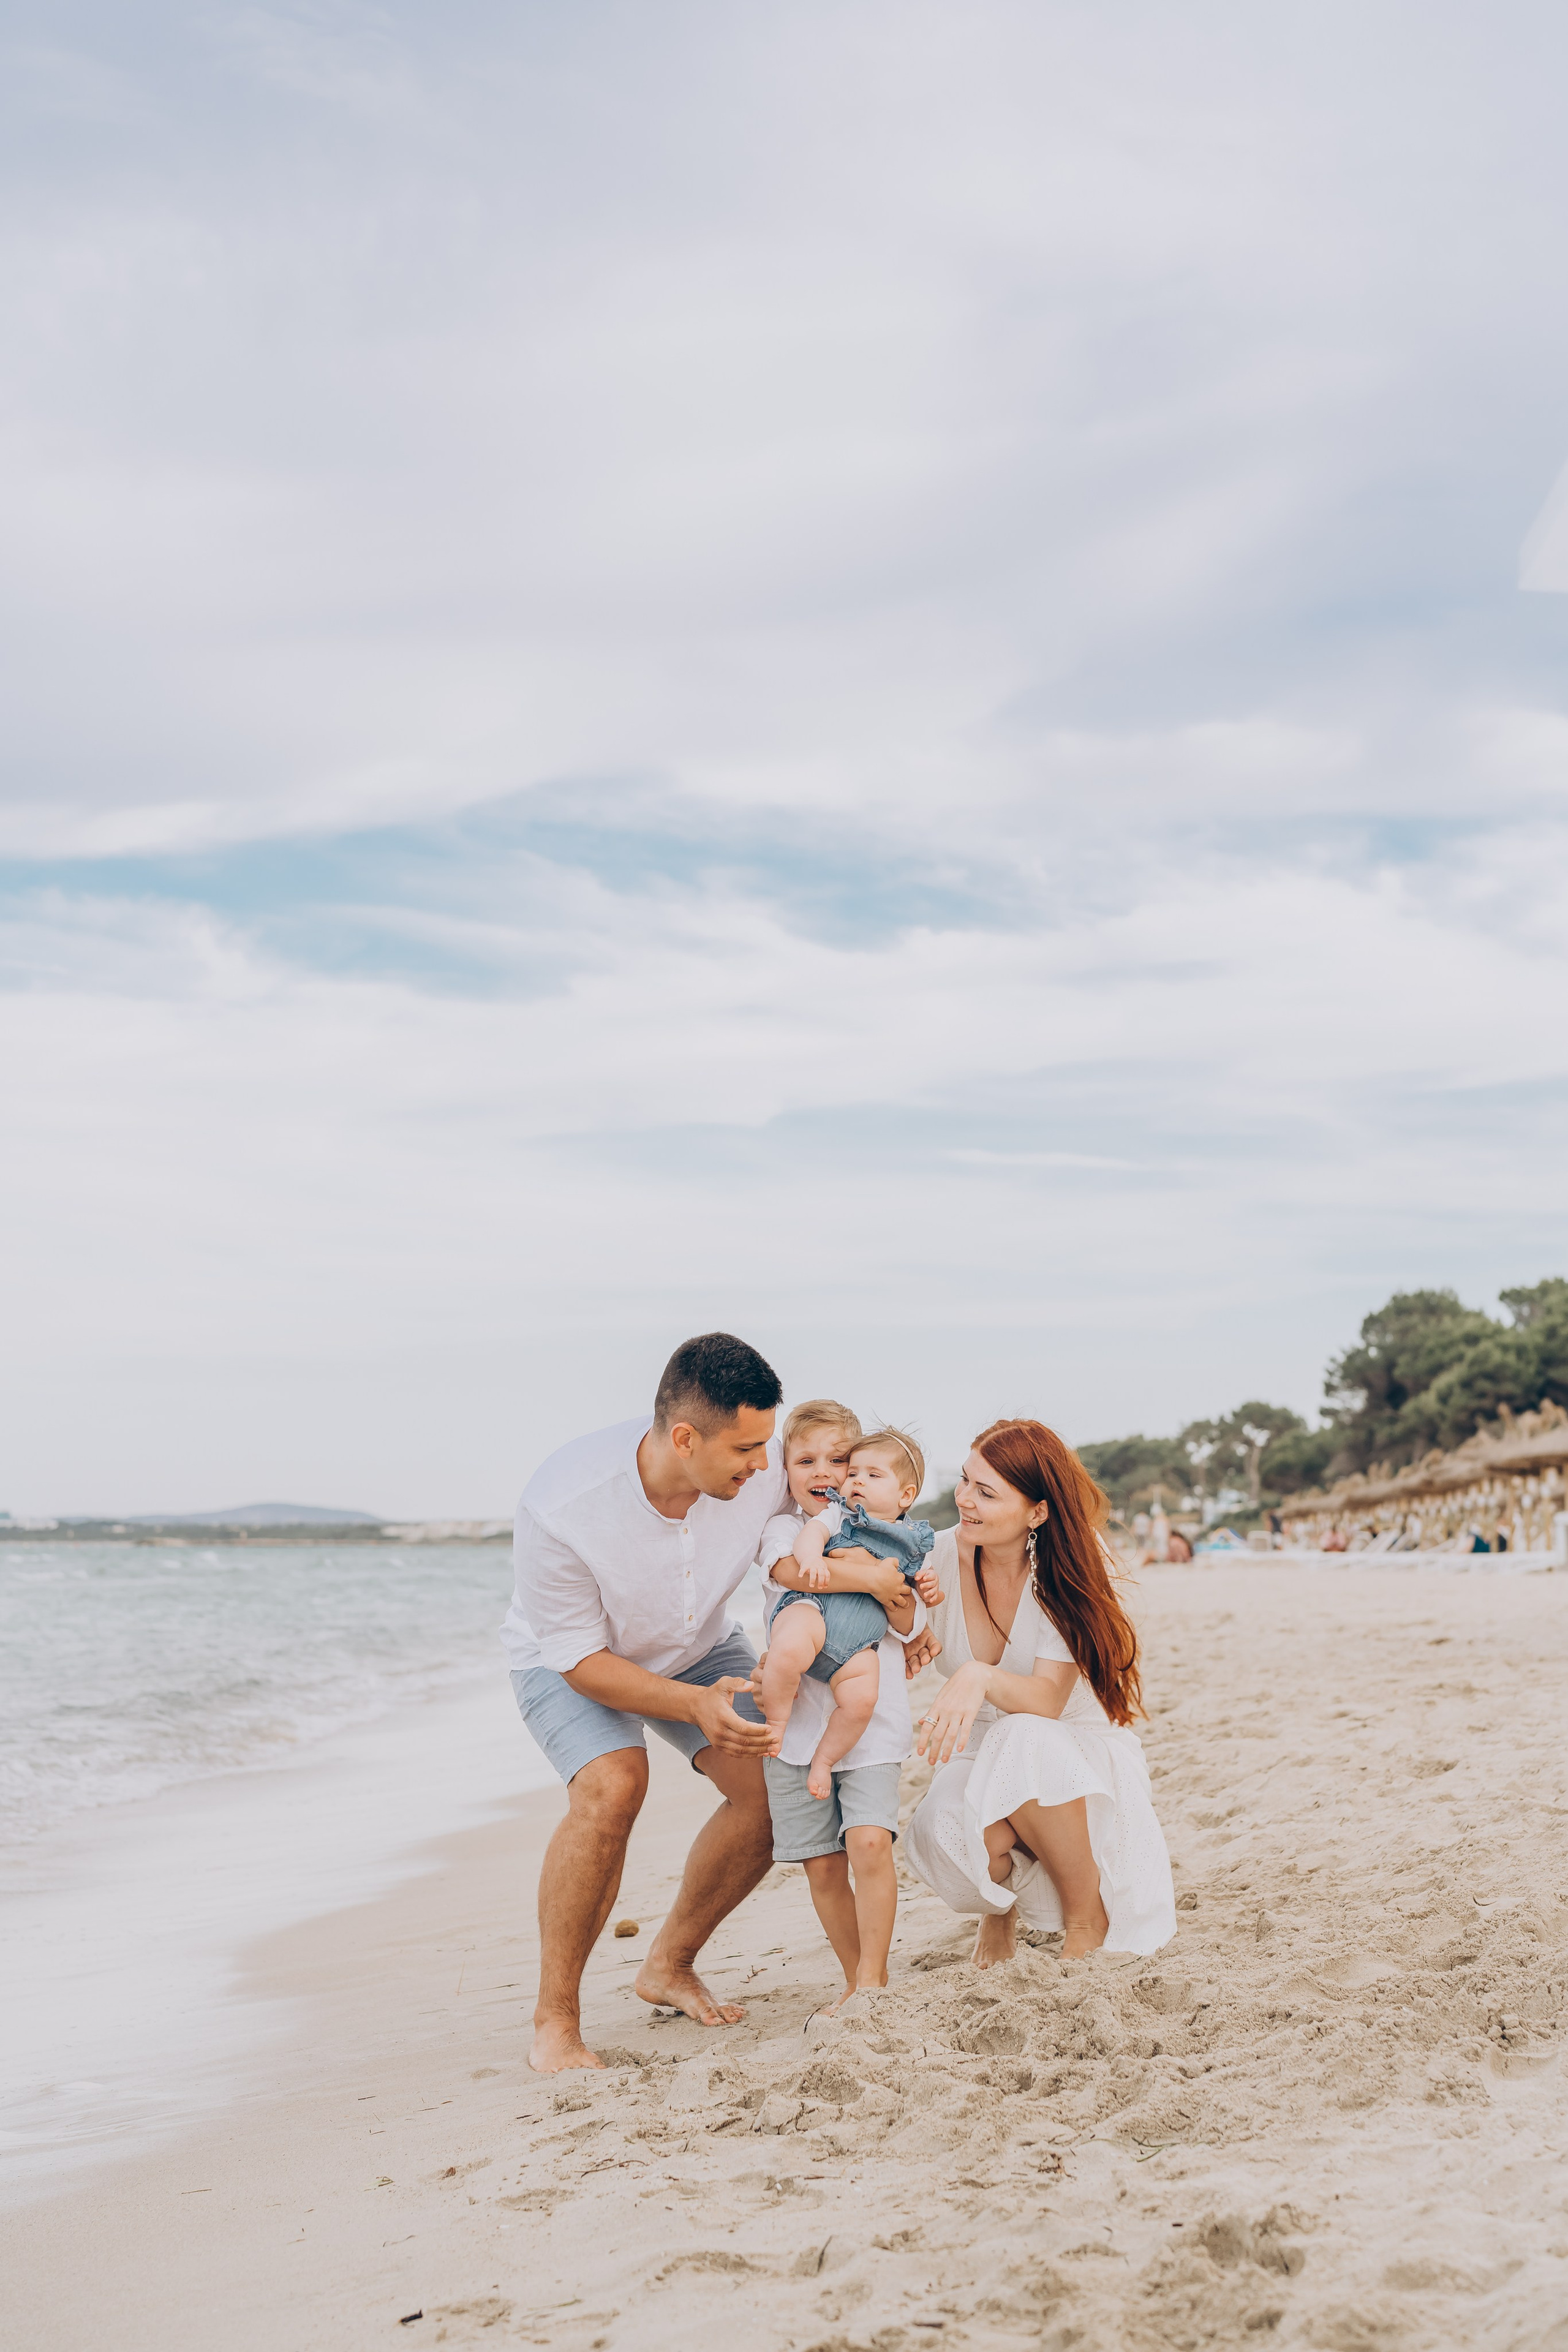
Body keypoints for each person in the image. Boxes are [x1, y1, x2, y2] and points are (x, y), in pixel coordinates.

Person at [503, 1332, 789, 2074]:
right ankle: (555, 2022)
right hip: (575, 1658)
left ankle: (669, 1964)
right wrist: (692, 1706)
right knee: (613, 1787)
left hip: (700, 1644)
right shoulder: (563, 1504)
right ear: (685, 1438)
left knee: (774, 1785)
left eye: (766, 1444)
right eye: (746, 1450)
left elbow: (849, 1510)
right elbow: (577, 1660)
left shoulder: (767, 1469)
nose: (765, 1465)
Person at [903, 1419, 1175, 1965]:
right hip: (983, 1748)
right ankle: (1000, 1908)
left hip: (1067, 1754)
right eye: (965, 1480)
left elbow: (1047, 1700)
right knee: (939, 1833)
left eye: (986, 1493)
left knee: (1023, 1736)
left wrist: (977, 1675)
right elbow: (873, 1615)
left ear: (1037, 1513)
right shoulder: (934, 1557)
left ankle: (1086, 1918)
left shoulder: (1071, 1563)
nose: (965, 1500)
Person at [755, 1401, 933, 2013]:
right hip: (793, 1736)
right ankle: (854, 1978)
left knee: (870, 1844)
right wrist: (875, 1578)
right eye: (805, 1460)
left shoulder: (891, 1535)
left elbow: (912, 1627)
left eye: (841, 1461)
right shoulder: (782, 1529)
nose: (826, 1472)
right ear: (785, 1470)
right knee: (823, 1867)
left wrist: (901, 1592)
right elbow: (793, 1572)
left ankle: (874, 1978)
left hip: (871, 1728)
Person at [760, 1426, 937, 1796]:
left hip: (859, 1648)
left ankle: (824, 1760)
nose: (856, 1480)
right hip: (814, 1612)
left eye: (871, 1474)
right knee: (790, 1647)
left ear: (905, 1494)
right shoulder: (838, 1515)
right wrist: (821, 1560)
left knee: (862, 1700)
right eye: (854, 1472)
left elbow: (911, 1616)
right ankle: (777, 1723)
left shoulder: (914, 1541)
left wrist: (925, 1585)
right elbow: (805, 1547)